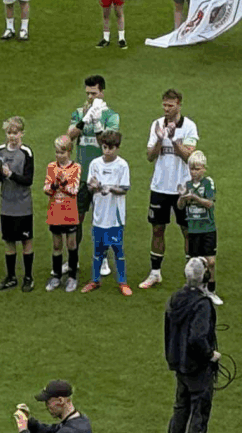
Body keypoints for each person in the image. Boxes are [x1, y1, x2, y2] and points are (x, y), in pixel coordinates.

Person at [163, 257, 221, 433]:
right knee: (199, 408)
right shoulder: (201, 304)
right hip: (196, 365)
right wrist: (210, 355)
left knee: (181, 405)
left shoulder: (175, 298)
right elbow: (197, 338)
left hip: (179, 361)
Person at [140, 88, 198, 289]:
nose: (166, 109)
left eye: (170, 106)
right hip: (160, 186)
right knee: (157, 229)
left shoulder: (189, 126)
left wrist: (173, 139)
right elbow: (149, 156)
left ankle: (192, 275)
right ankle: (155, 273)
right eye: (164, 105)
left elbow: (189, 157)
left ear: (179, 105)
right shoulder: (156, 124)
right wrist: (158, 138)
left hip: (182, 188)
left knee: (187, 230)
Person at [83, 127, 132, 293]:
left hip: (115, 217)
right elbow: (90, 186)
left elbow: (124, 189)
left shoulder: (122, 165)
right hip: (99, 215)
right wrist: (95, 186)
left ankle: (123, 282)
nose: (107, 151)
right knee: (98, 250)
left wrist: (108, 188)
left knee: (118, 250)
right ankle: (95, 280)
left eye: (111, 148)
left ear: (117, 148)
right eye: (105, 147)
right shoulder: (95, 164)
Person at [0, 115, 36, 290]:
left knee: (26, 241)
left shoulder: (27, 152)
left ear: (22, 133)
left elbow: (28, 180)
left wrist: (10, 174)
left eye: (15, 133)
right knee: (9, 241)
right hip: (7, 204)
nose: (12, 136)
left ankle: (28, 277)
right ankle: (11, 276)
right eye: (9, 133)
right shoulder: (0, 151)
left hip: (23, 205)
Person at [43, 132, 83, 291]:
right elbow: (46, 189)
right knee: (57, 245)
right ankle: (56, 276)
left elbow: (74, 190)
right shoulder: (51, 167)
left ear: (69, 151)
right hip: (55, 212)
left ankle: (72, 276)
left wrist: (63, 182)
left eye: (62, 152)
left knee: (71, 244)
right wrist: (54, 185)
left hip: (69, 213)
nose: (59, 155)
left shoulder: (76, 168)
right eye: (57, 152)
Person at [180, 149, 221, 289]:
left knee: (211, 262)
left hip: (208, 228)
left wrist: (195, 198)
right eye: (191, 169)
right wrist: (181, 196)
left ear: (204, 169)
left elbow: (210, 203)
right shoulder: (187, 185)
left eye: (197, 169)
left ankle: (211, 290)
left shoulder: (208, 183)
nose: (194, 172)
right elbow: (180, 207)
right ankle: (197, 289)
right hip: (194, 229)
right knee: (195, 262)